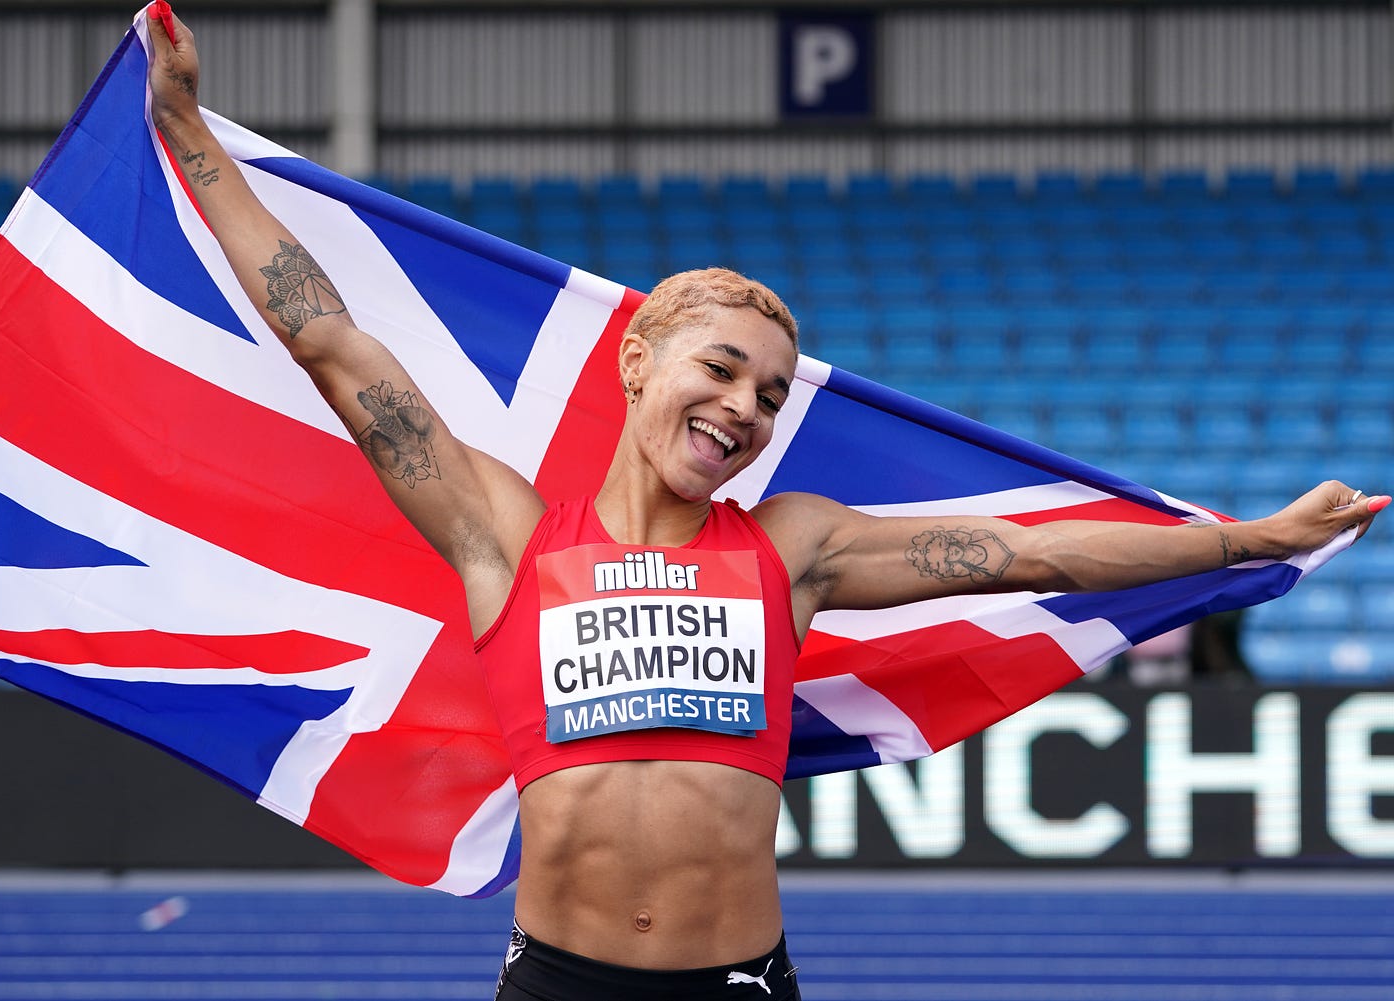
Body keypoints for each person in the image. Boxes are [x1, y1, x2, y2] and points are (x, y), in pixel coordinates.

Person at [144, 9, 1386, 999]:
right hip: (558, 985)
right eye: (722, 367)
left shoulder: (793, 547)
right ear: (638, 359)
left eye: (771, 393)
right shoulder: (508, 534)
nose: (744, 405)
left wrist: (1249, 539)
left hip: (740, 981)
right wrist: (191, 132)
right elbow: (336, 345)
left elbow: (1021, 551)